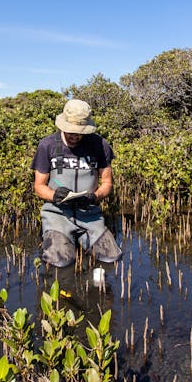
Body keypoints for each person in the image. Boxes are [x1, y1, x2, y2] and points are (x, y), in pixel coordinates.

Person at [31, 99, 123, 267]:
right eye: (70, 131)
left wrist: (94, 197)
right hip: (57, 214)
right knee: (60, 262)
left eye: (79, 132)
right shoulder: (47, 145)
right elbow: (38, 187)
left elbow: (107, 183)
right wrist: (54, 195)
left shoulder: (99, 145)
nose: (74, 135)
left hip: (90, 214)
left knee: (111, 258)